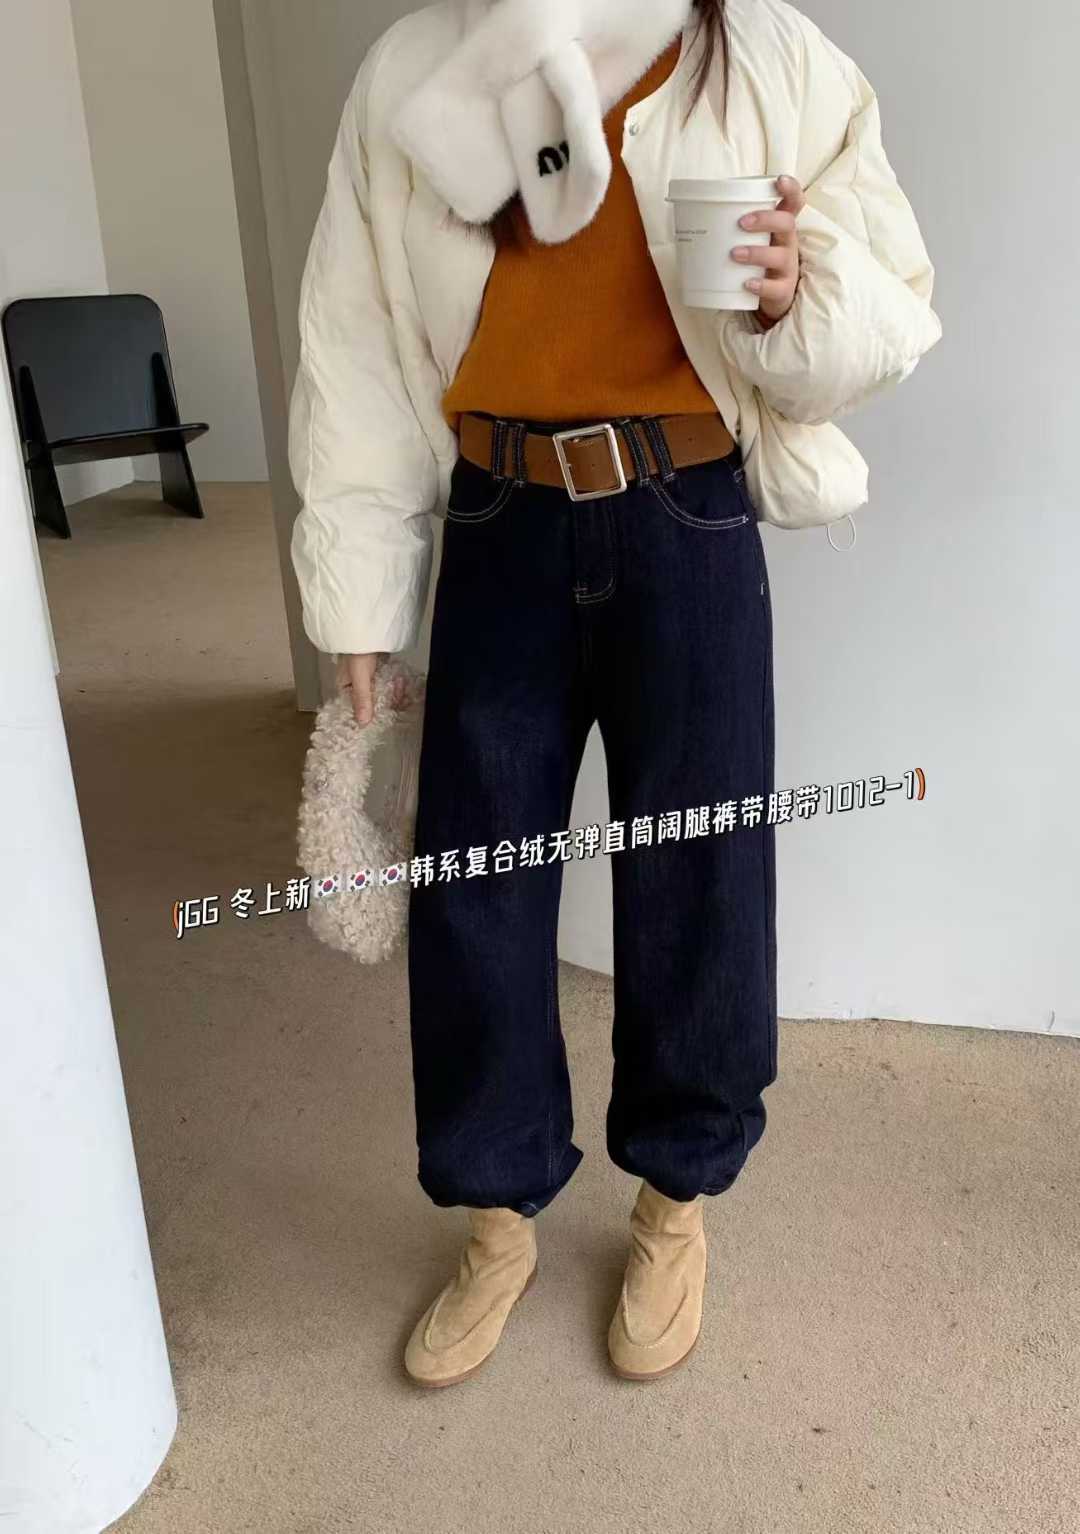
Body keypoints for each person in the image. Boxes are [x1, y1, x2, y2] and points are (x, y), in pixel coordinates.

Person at [287, 0, 942, 1387]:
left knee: (700, 873)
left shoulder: (765, 52)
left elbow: (892, 298)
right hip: (498, 520)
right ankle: (494, 1219)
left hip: (685, 509)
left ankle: (674, 1203)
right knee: (474, 884)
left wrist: (795, 292)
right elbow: (354, 340)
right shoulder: (416, 67)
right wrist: (359, 593)